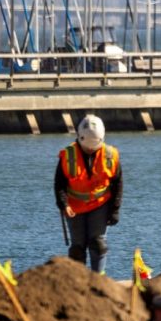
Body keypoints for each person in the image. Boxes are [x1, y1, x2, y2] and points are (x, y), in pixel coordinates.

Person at [54, 114, 121, 274]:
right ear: (79, 138)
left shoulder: (111, 155)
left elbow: (117, 183)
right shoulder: (68, 155)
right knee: (78, 247)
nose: (90, 150)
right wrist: (64, 204)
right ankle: (79, 280)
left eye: (94, 147)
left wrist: (115, 209)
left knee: (98, 243)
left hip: (100, 205)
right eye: (87, 147)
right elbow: (59, 184)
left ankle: (99, 278)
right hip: (75, 207)